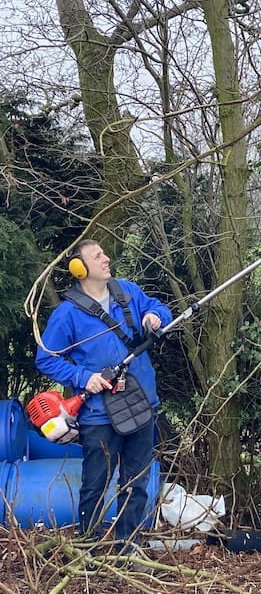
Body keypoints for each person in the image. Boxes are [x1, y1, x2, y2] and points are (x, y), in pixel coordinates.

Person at [35, 239, 172, 561]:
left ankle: (129, 551)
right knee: (95, 486)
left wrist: (154, 316)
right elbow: (46, 358)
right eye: (98, 256)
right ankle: (89, 553)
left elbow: (161, 308)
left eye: (104, 254)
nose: (106, 259)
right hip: (98, 415)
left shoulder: (126, 292)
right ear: (79, 268)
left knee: (136, 483)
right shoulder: (68, 314)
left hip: (142, 405)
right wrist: (84, 378)